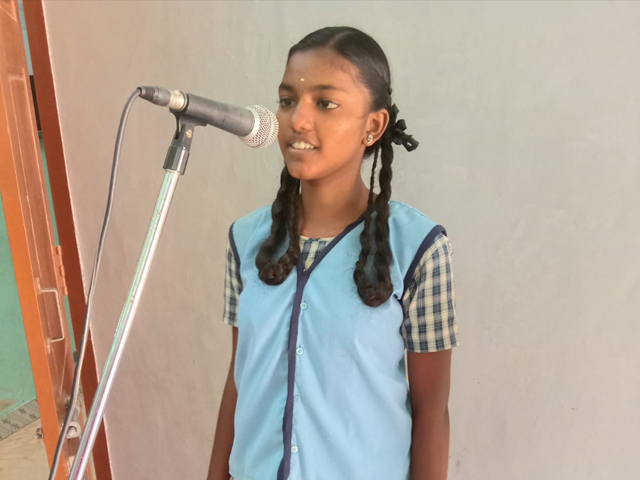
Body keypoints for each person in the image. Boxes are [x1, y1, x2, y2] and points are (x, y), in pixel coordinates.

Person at [207, 26, 459, 480]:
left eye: (325, 103)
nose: (298, 120)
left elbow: (432, 413)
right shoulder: (246, 240)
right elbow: (240, 380)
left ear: (373, 126)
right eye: (288, 100)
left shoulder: (419, 249)